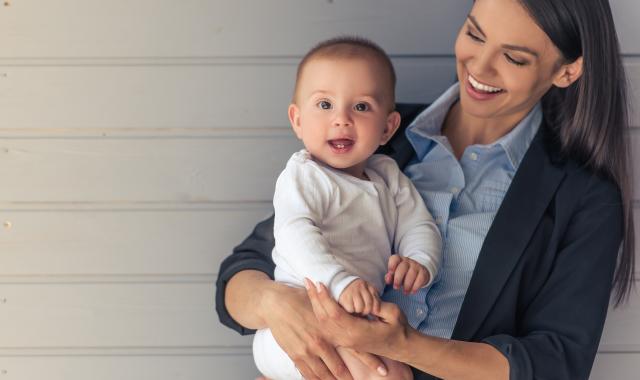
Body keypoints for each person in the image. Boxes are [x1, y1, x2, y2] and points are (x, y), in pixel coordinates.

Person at [216, 0, 635, 379]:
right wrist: (280, 305)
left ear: (566, 70)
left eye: (513, 57)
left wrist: (401, 347)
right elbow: (241, 273)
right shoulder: (369, 133)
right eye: (474, 33)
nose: (480, 67)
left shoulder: (583, 200)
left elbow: (554, 365)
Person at [252, 37, 442, 380]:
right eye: (324, 105)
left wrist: (419, 261)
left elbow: (419, 225)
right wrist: (339, 282)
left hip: (351, 322)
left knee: (395, 373)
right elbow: (296, 235)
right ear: (297, 120)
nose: (341, 119)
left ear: (388, 127)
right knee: (381, 375)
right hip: (297, 323)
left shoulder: (389, 176)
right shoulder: (303, 176)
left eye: (361, 107)